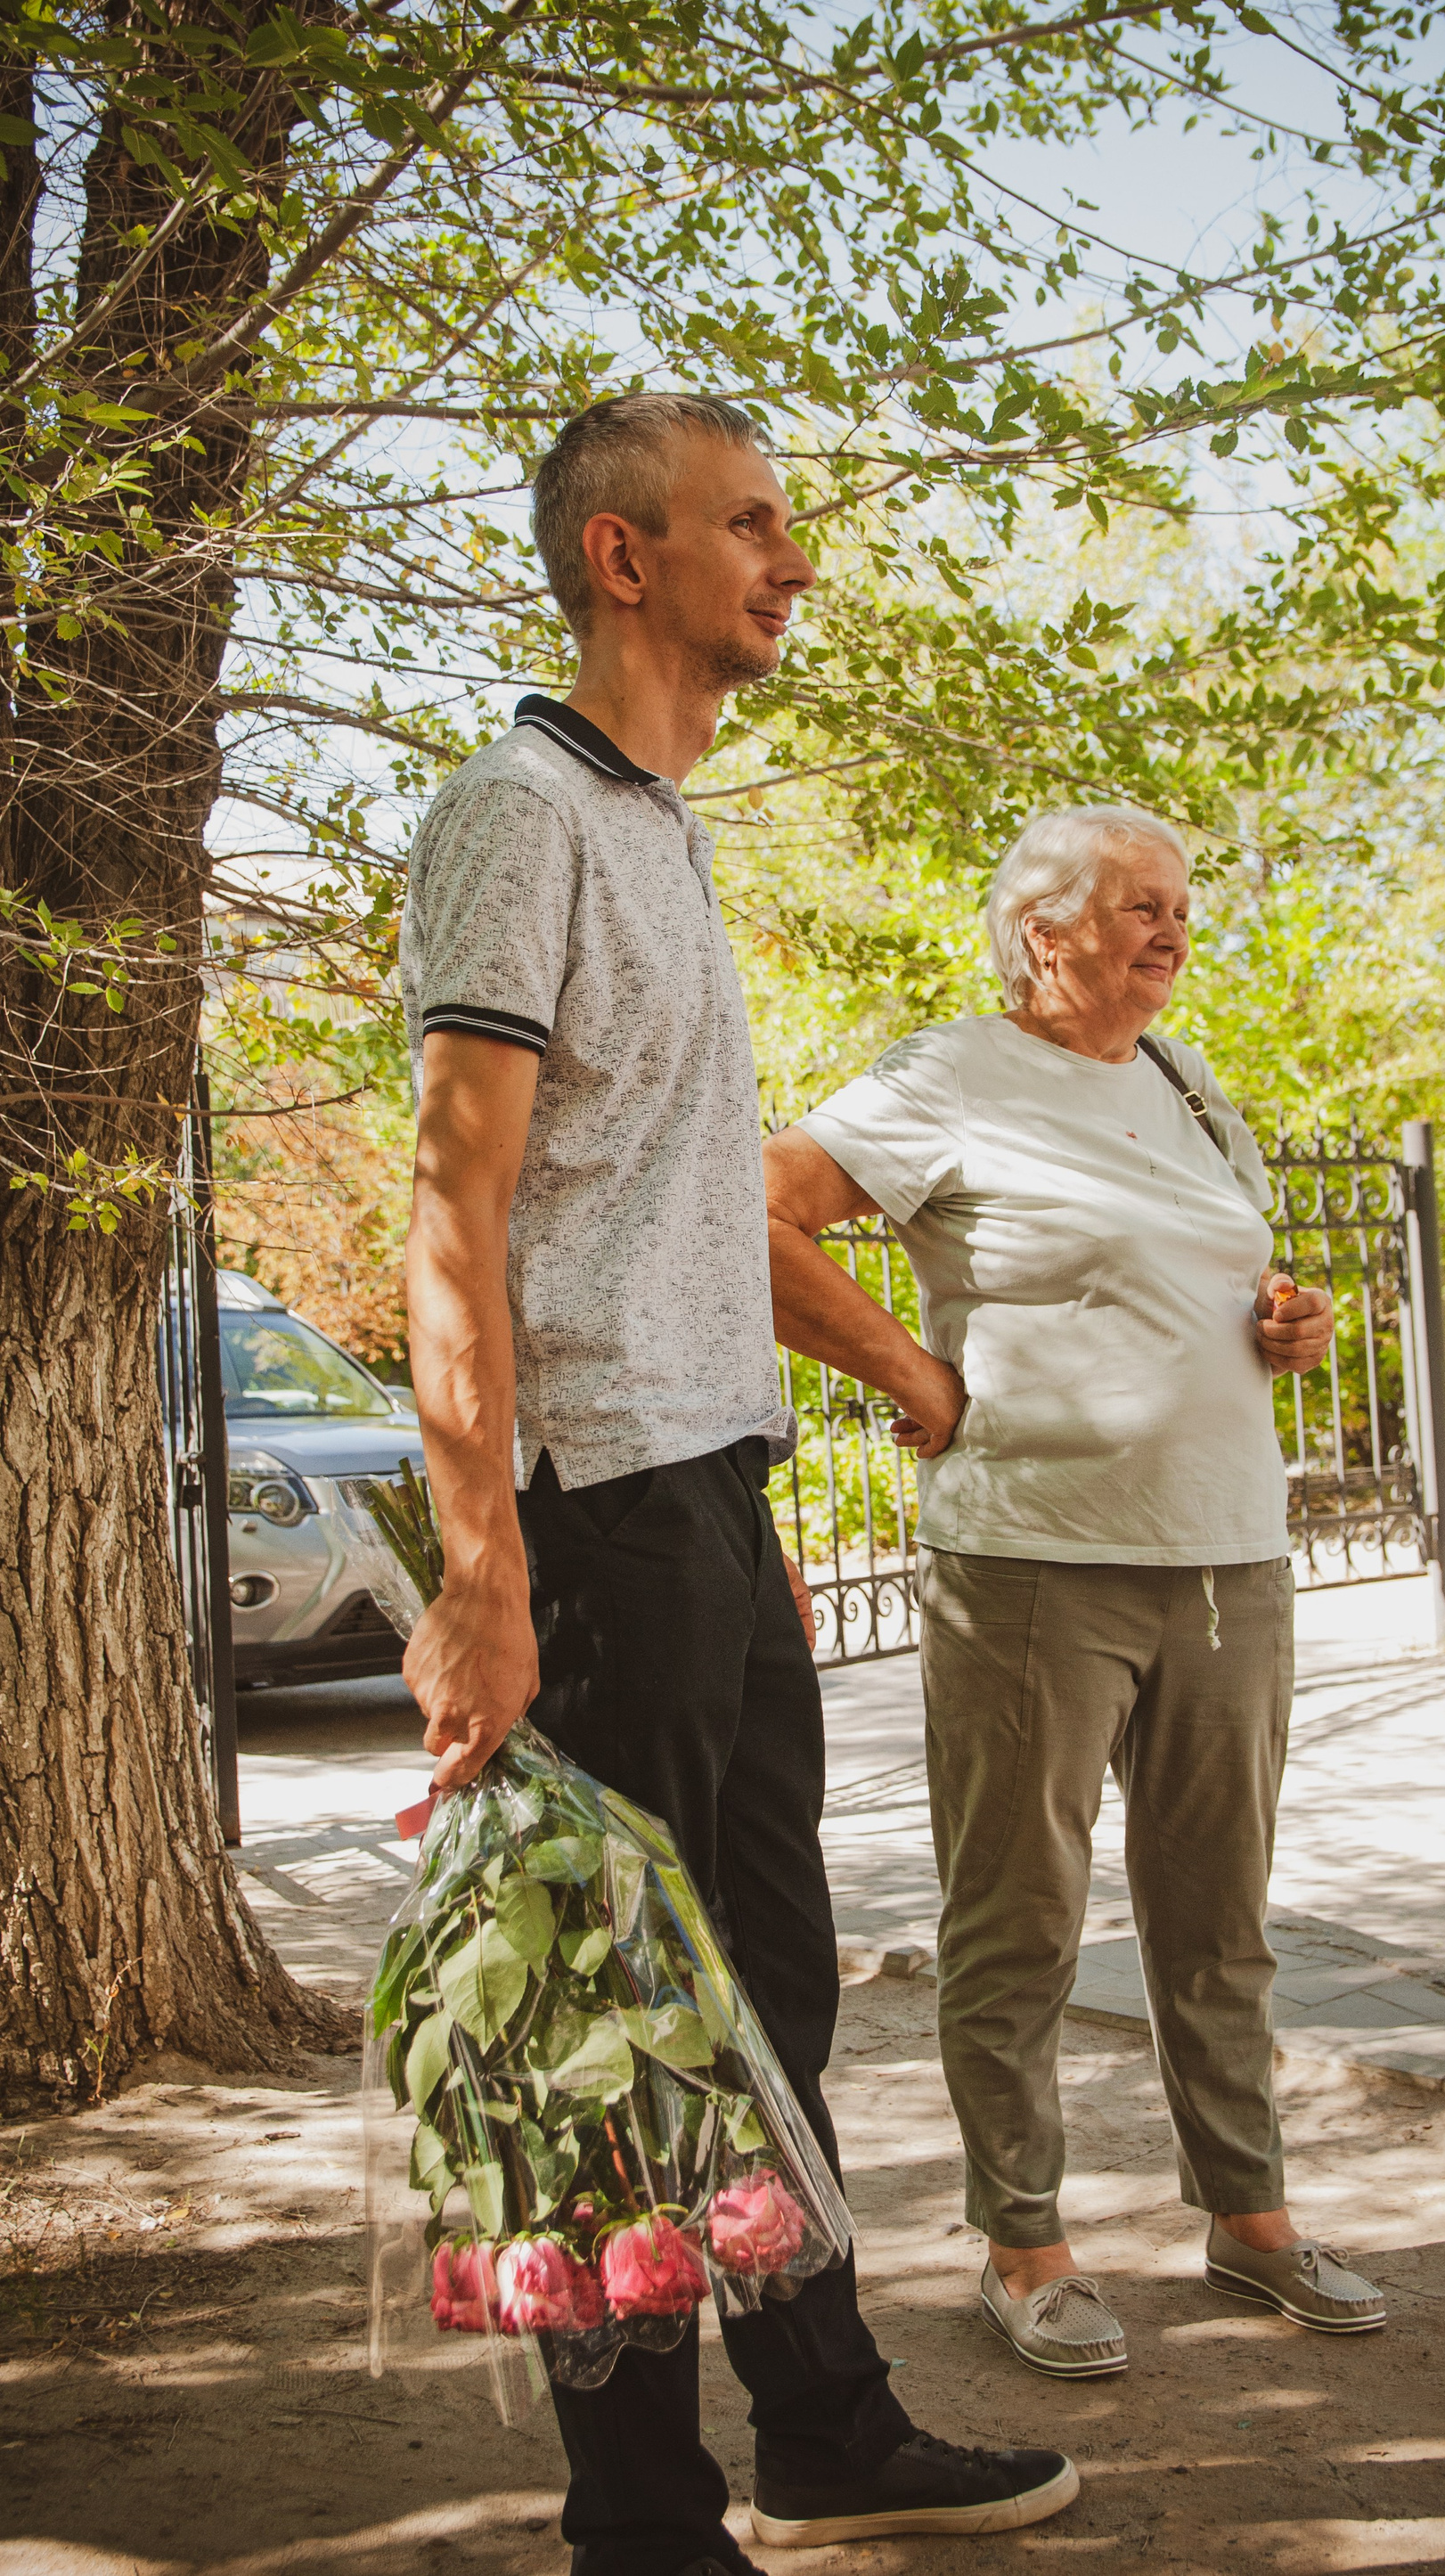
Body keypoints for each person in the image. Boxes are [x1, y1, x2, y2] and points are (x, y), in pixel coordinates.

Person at [397, 393, 1078, 2576]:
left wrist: (825, 1420)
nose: (794, 562)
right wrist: (485, 1569)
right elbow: (453, 1208)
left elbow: (670, 1214)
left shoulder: (661, 831)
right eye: (754, 523)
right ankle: (641, 2520)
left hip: (705, 1496)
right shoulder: (518, 812)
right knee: (616, 2029)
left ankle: (825, 2426)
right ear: (626, 557)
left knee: (769, 1991)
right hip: (597, 1512)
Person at [763, 805, 1388, 2383]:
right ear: (1042, 932)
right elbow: (753, 1209)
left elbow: (1208, 1288)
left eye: (1179, 907)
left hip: (1229, 1558)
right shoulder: (949, 1075)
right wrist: (911, 1371)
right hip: (1034, 1561)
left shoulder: (1185, 1080)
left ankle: (1248, 2218)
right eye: (1138, 907)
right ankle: (1023, 2244)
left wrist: (1284, 1324)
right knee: (1020, 1917)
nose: (1173, 931)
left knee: (1220, 1918)